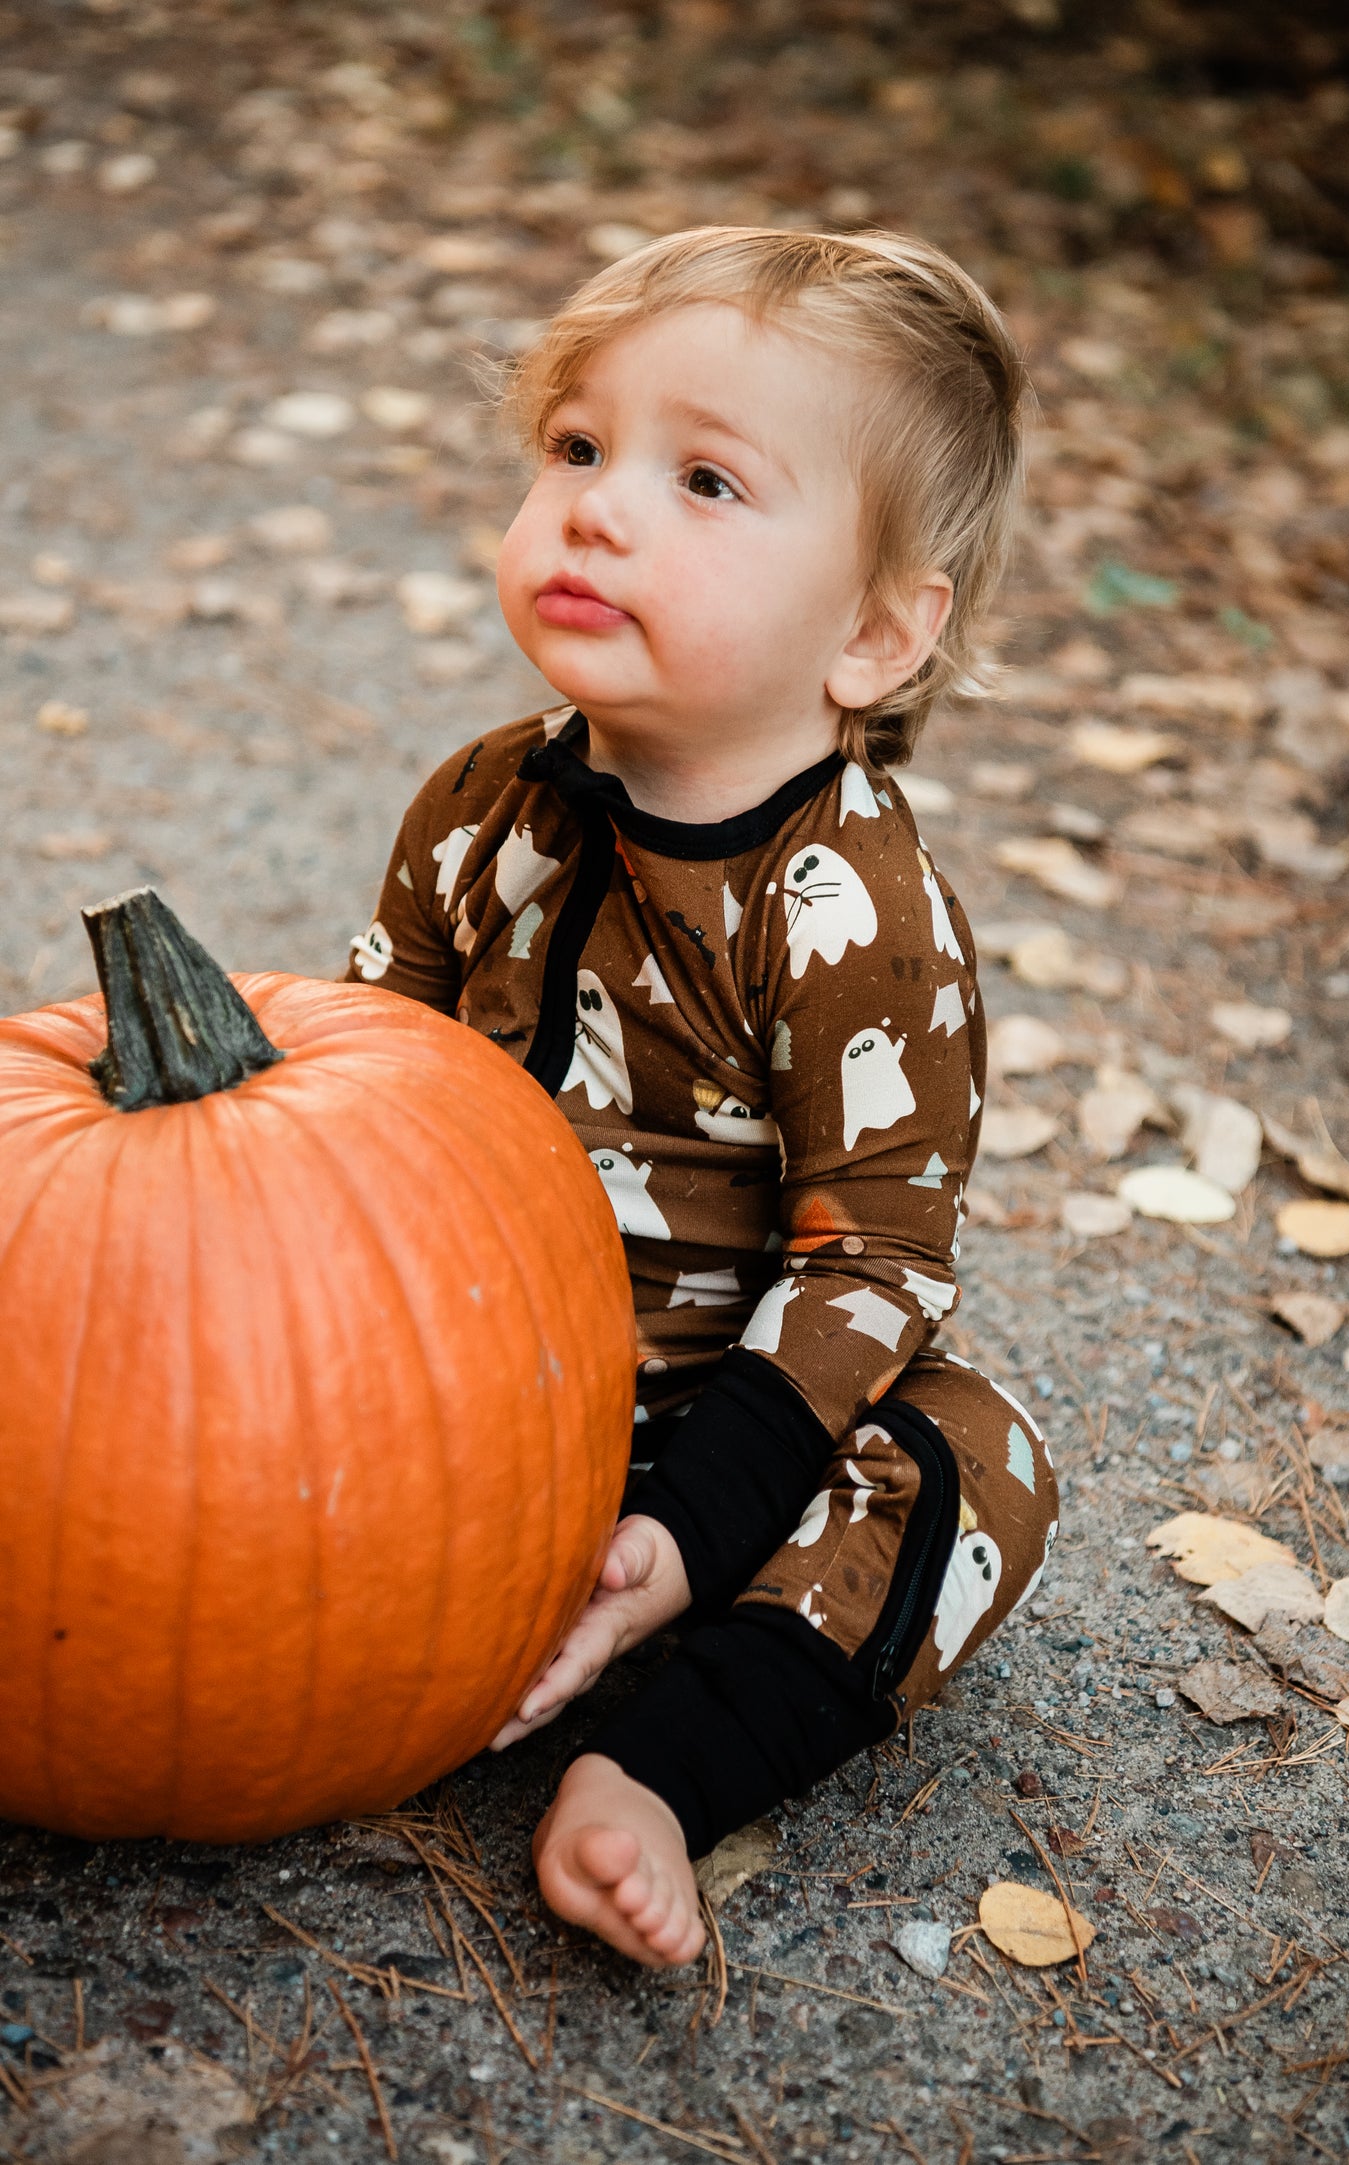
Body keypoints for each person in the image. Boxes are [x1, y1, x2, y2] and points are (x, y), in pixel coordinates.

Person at [344, 226, 1058, 1968]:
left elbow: (870, 1260)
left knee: (976, 1463)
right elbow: (365, 1090)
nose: (595, 507)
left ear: (876, 635)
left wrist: (684, 1533)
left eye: (706, 478)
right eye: (576, 448)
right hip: (459, 1381)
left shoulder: (857, 917)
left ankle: (662, 1762)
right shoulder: (479, 805)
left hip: (715, 1420)